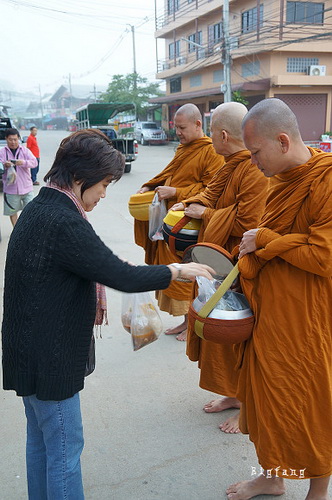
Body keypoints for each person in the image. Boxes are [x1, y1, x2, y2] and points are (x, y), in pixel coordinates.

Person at [1, 129, 215, 500]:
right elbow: (122, 275)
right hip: (51, 359)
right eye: (103, 185)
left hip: (25, 350)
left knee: (41, 444)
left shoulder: (38, 207)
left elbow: (94, 263)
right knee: (65, 452)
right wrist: (179, 271)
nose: (103, 194)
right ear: (80, 179)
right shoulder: (64, 221)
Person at [226, 98, 332, 499]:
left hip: (308, 316)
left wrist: (266, 240)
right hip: (270, 312)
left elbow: (323, 256)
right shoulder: (279, 182)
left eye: (255, 153)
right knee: (269, 401)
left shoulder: (326, 180)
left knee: (311, 402)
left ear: (283, 140)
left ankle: (318, 490)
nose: (252, 163)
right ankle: (273, 476)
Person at [171, 102, 268, 432]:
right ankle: (233, 393)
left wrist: (207, 215)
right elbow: (209, 195)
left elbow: (248, 222)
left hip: (240, 263)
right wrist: (194, 204)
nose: (209, 138)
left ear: (223, 135)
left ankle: (247, 404)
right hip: (217, 259)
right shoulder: (230, 165)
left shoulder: (252, 169)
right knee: (219, 330)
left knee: (240, 334)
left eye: (211, 132)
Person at [135, 103, 224, 340]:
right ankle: (185, 322)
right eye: (176, 128)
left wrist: (175, 192)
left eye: (182, 128)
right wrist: (151, 185)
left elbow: (210, 190)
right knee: (176, 272)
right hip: (173, 220)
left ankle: (193, 322)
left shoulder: (210, 151)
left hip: (190, 225)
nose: (178, 133)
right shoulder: (184, 148)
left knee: (189, 275)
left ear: (198, 124)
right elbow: (169, 172)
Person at [0, 128, 37, 226]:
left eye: (15, 139)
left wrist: (23, 162)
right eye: (10, 139)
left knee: (31, 212)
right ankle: (16, 231)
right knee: (12, 212)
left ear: (19, 139)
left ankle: (28, 231)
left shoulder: (25, 151)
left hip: (26, 188)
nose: (13, 142)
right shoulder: (2, 152)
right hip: (10, 189)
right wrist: (4, 165)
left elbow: (34, 162)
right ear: (6, 139)